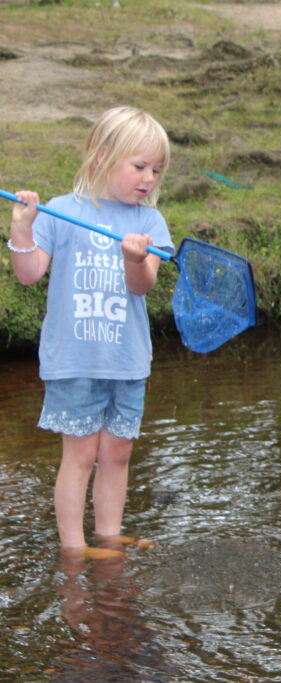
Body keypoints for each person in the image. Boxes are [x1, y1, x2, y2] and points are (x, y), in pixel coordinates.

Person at [8, 106, 173, 558]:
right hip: (73, 360)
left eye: (156, 170)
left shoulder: (149, 223)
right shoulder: (61, 211)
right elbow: (28, 273)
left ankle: (107, 534)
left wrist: (135, 259)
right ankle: (74, 549)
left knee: (117, 454)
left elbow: (142, 286)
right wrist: (23, 228)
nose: (149, 178)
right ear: (102, 157)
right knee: (79, 457)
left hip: (127, 360)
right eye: (139, 166)